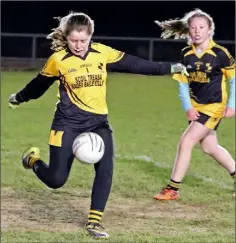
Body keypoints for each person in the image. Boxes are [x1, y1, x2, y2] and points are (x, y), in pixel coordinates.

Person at [8, 12, 188, 238]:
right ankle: (32, 160)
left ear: (90, 36)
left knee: (106, 167)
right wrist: (20, 97)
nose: (78, 45)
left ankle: (94, 221)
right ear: (66, 37)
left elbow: (135, 64)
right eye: (74, 40)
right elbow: (38, 85)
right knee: (56, 180)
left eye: (83, 40)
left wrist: (169, 67)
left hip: (97, 123)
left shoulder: (102, 52)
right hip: (67, 124)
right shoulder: (58, 60)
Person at [153, 8, 235, 200]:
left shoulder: (220, 53)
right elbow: (182, 83)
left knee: (186, 141)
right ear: (188, 31)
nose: (197, 31)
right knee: (210, 147)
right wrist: (188, 107)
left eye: (201, 27)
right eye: (193, 28)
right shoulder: (186, 54)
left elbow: (234, 80)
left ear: (209, 30)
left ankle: (172, 189)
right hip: (197, 108)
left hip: (214, 107)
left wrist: (232, 104)